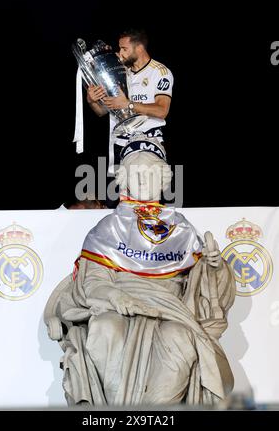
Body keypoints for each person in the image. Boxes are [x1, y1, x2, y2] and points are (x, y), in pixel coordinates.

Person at [45, 136, 236, 407]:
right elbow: (93, 281)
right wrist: (113, 296)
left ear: (164, 180)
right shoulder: (108, 227)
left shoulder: (181, 228)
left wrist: (214, 267)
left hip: (170, 310)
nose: (144, 179)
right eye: (136, 172)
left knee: (179, 337)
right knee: (105, 328)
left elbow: (201, 287)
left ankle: (157, 413)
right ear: (123, 179)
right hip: (121, 305)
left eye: (151, 172)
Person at [86, 28, 174, 174]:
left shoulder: (159, 72)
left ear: (139, 48)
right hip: (120, 144)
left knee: (148, 192)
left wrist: (128, 104)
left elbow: (162, 110)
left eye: (124, 49)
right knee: (119, 195)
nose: (120, 53)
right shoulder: (120, 71)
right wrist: (92, 101)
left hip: (149, 143)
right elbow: (102, 111)